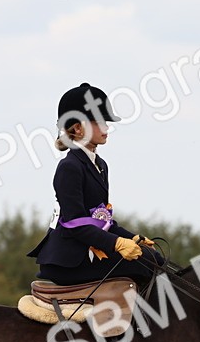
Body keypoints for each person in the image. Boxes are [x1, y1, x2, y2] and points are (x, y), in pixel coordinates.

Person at [27, 82, 157, 285]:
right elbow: (74, 224)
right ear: (78, 128)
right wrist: (117, 243)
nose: (106, 128)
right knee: (147, 262)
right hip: (69, 260)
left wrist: (132, 238)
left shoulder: (100, 165)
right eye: (98, 122)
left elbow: (100, 219)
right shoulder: (69, 167)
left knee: (152, 256)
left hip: (90, 251)